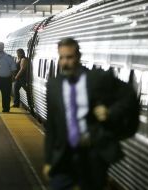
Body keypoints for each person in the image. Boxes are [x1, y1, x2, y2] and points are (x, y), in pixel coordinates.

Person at [43, 38, 139, 190]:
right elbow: (52, 126)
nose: (65, 62)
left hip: (92, 154)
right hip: (64, 155)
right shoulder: (54, 85)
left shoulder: (96, 78)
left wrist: (110, 112)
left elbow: (129, 95)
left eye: (69, 57)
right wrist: (48, 160)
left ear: (78, 57)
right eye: (61, 57)